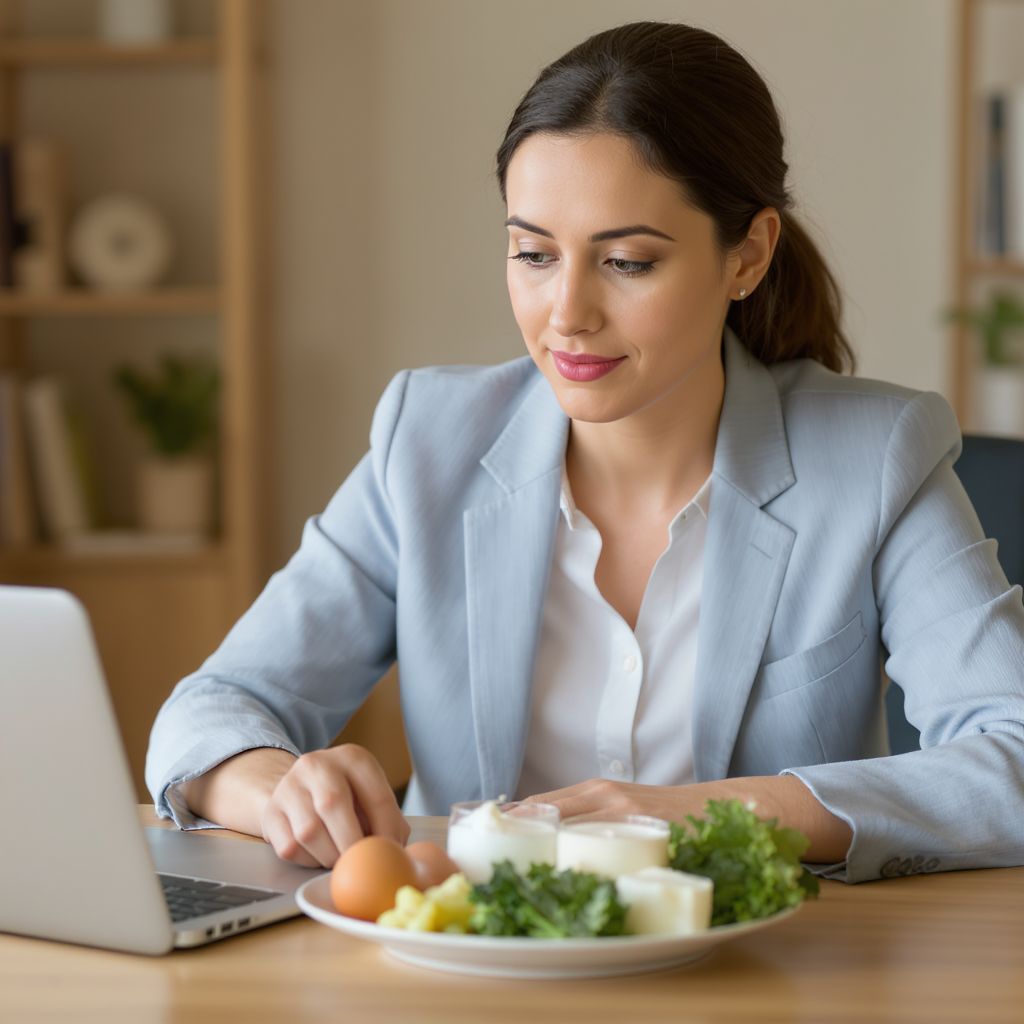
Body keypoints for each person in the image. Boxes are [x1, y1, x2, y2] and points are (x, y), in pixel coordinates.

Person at [147, 21, 1024, 884]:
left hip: (759, 978)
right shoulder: (427, 442)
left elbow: (1012, 758)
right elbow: (211, 711)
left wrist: (700, 817)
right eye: (533, 253)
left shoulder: (875, 460)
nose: (566, 312)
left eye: (628, 263)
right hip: (473, 972)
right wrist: (280, 788)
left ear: (748, 255)